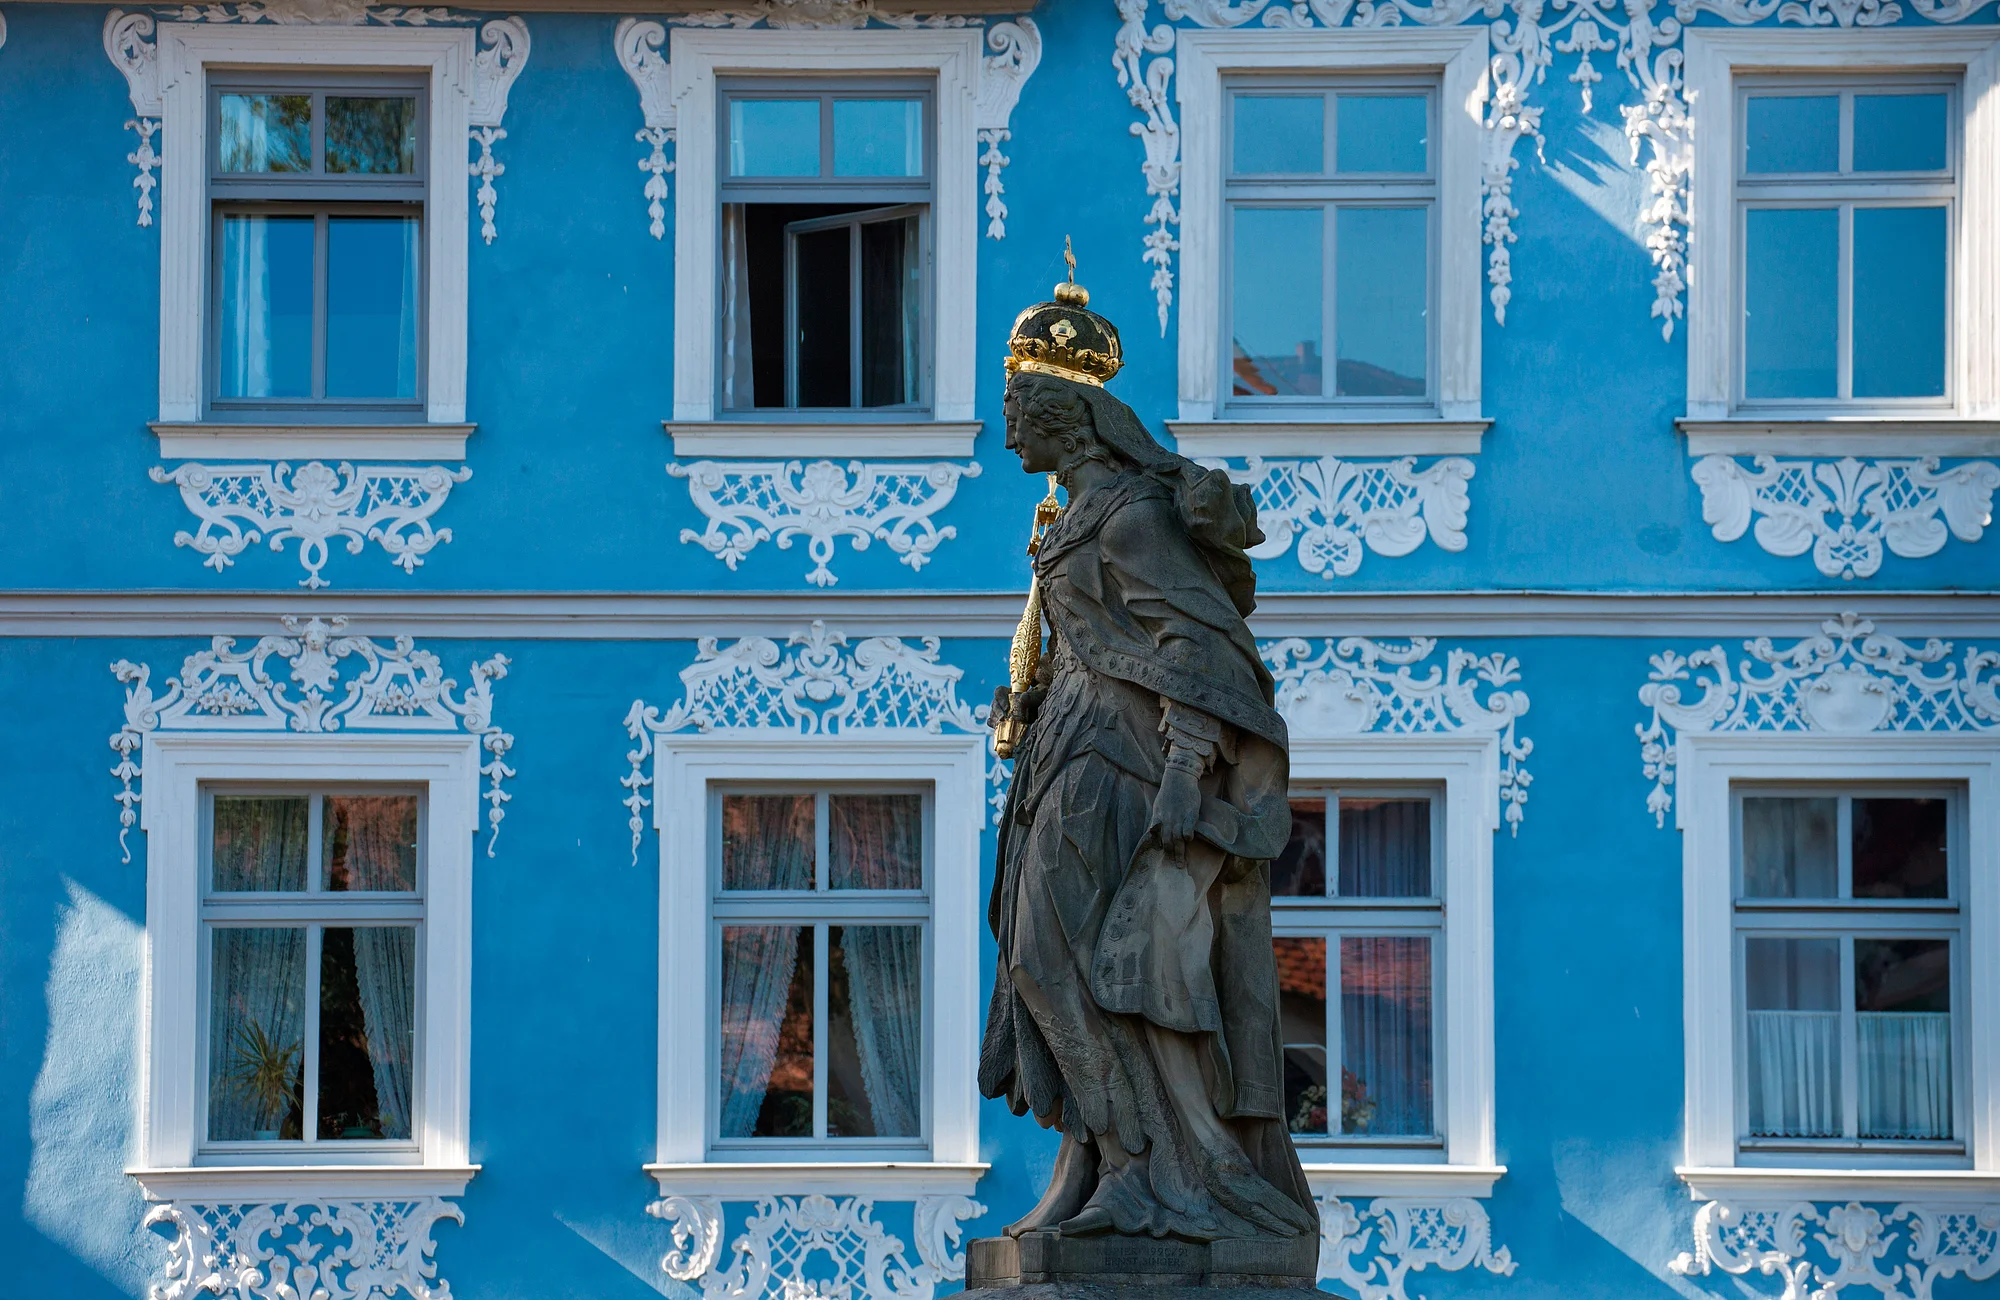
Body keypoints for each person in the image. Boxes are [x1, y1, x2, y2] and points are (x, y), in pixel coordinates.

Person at [980, 258, 1317, 1244]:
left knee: (1071, 962)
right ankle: (1109, 1162)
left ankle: (1151, 1168)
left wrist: (1182, 768)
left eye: (1015, 405)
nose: (1003, 425)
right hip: (1062, 745)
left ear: (1062, 416)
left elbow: (1196, 648)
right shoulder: (1070, 520)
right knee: (1044, 962)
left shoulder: (1129, 516)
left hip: (1117, 758)